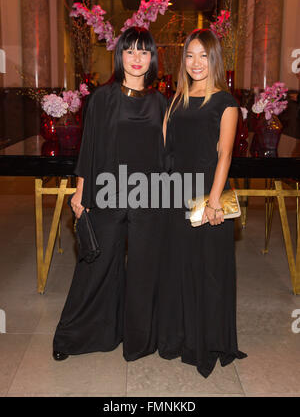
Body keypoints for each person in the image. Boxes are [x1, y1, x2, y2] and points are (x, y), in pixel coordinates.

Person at [53, 27, 167, 361]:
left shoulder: (161, 101)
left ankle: (139, 339)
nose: (136, 58)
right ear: (119, 56)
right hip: (107, 194)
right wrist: (80, 193)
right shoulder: (102, 98)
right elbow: (89, 148)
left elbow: (166, 153)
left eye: (143, 52)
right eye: (129, 51)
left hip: (150, 198)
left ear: (152, 58)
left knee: (145, 269)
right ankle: (73, 338)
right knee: (96, 265)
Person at [158, 29, 247, 378]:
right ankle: (180, 336)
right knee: (180, 267)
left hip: (208, 194)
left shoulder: (225, 102)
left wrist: (212, 202)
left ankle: (207, 341)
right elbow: (164, 145)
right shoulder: (177, 97)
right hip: (175, 194)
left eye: (203, 56)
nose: (196, 63)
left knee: (208, 270)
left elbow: (224, 154)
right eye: (190, 55)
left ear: (215, 59)